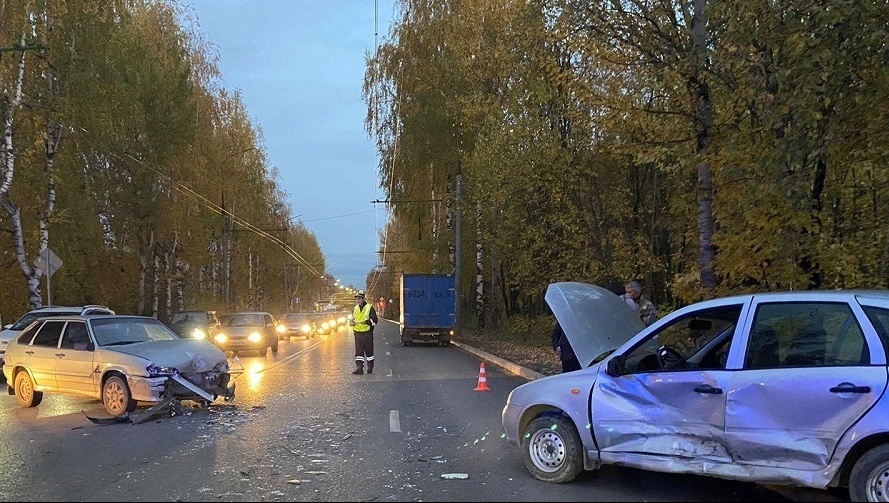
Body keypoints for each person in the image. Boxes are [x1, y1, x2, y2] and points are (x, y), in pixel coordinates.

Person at [350, 290, 379, 375]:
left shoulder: (369, 308)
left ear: (363, 299)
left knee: (369, 352)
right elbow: (352, 319)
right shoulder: (355, 309)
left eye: (359, 298)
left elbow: (375, 320)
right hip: (358, 333)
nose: (358, 300)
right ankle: (359, 368)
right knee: (359, 352)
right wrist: (351, 323)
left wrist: (366, 322)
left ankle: (370, 367)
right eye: (357, 299)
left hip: (367, 334)